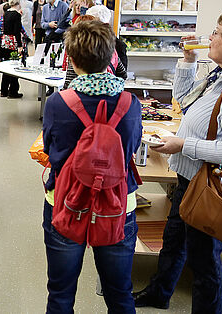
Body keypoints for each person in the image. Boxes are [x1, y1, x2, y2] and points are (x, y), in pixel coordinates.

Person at [133, 10, 222, 313]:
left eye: (217, 32)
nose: (210, 37)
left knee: (204, 264)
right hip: (191, 179)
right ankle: (160, 293)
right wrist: (188, 61)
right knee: (174, 242)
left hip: (211, 187)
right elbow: (184, 100)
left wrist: (183, 143)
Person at [42, 19, 143, 314]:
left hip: (66, 201)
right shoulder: (130, 103)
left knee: (60, 293)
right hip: (118, 204)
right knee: (120, 293)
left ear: (70, 59)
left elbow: (51, 148)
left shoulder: (57, 103)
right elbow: (131, 149)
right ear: (112, 56)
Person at [0, 0, 31, 98]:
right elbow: (17, 31)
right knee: (15, 66)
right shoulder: (16, 15)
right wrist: (20, 46)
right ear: (18, 3)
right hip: (13, 43)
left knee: (6, 67)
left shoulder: (6, 13)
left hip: (5, 42)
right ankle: (13, 91)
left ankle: (3, 90)